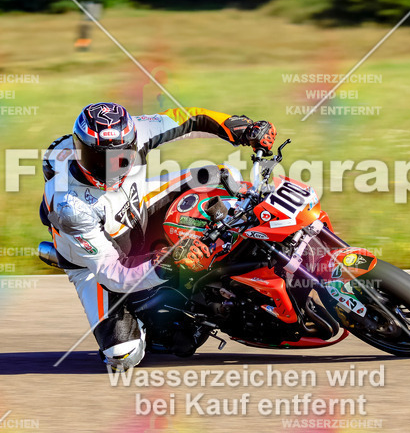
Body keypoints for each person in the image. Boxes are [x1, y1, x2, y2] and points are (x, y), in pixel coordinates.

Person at [40, 102, 276, 371]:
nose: (111, 169)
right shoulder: (69, 207)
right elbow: (111, 273)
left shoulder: (137, 131)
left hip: (136, 207)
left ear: (132, 141)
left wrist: (241, 127)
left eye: (121, 158)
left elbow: (191, 118)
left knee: (220, 178)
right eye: (98, 160)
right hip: (96, 264)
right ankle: (154, 312)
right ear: (79, 150)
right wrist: (168, 263)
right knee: (122, 355)